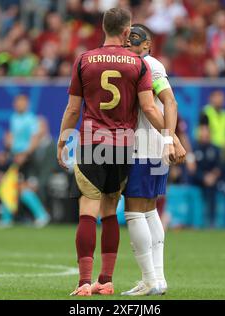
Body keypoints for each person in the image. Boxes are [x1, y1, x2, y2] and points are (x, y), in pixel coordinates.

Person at [57, 7, 177, 296]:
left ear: (102, 27)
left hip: (91, 144)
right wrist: (171, 137)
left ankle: (85, 283)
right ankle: (106, 280)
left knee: (88, 211)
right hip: (123, 144)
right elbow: (149, 107)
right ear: (126, 31)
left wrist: (63, 140)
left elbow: (74, 108)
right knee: (111, 212)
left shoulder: (85, 60)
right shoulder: (138, 64)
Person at [122, 23, 186, 296]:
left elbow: (169, 102)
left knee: (135, 212)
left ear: (148, 44)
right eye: (128, 40)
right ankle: (158, 280)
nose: (131, 44)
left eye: (137, 40)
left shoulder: (150, 66)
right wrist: (169, 139)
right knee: (149, 210)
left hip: (144, 148)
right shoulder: (138, 65)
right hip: (151, 147)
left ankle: (149, 280)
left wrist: (171, 138)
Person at [1, 94, 51, 227]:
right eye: (16, 102)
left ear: (27, 104)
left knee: (21, 188)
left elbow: (35, 139)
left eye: (21, 102)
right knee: (11, 186)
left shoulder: (31, 119)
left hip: (26, 158)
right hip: (16, 156)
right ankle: (7, 217)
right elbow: (12, 138)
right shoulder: (14, 118)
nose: (18, 105)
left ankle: (41, 215)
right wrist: (9, 148)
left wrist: (25, 154)